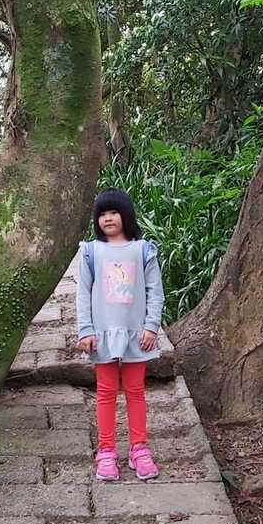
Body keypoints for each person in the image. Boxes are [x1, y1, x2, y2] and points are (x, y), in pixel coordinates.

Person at [76, 189, 164, 481]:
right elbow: (82, 293)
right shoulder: (91, 252)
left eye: (113, 212)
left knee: (136, 391)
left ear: (125, 214)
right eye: (102, 214)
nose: (108, 218)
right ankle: (106, 451)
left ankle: (139, 449)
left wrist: (151, 326)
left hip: (136, 334)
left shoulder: (143, 250)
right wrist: (86, 330)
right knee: (105, 392)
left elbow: (155, 291)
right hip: (102, 334)